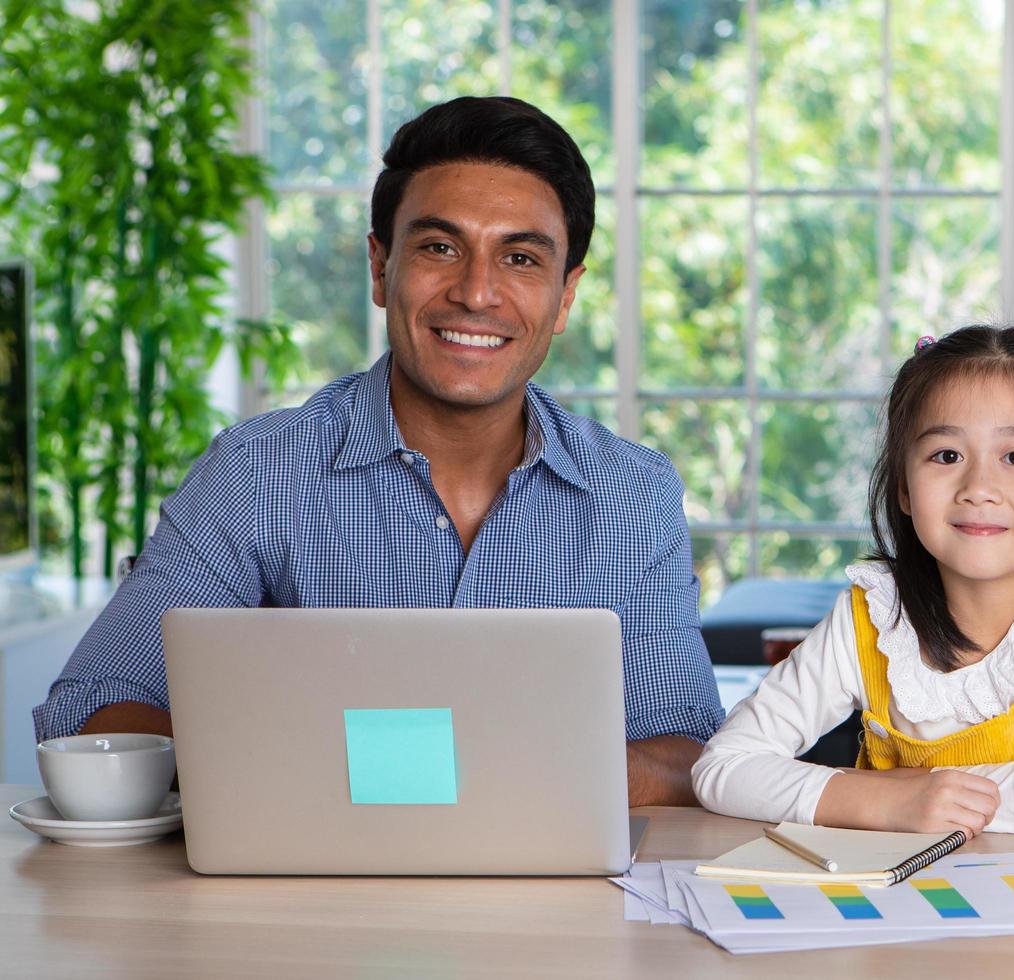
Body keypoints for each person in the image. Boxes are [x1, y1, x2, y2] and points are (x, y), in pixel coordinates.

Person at [32, 96, 723, 805]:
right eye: (438, 248)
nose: (476, 292)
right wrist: (344, 769)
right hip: (309, 900)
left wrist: (463, 772)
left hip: (562, 904)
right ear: (379, 267)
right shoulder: (256, 474)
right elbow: (96, 709)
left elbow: (686, 751)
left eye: (519, 258)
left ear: (565, 295)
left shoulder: (632, 494)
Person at [692, 326, 1014, 836]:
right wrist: (880, 801)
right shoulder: (873, 615)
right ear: (903, 486)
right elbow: (721, 768)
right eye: (946, 456)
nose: (979, 487)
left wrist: (916, 794)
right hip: (910, 903)